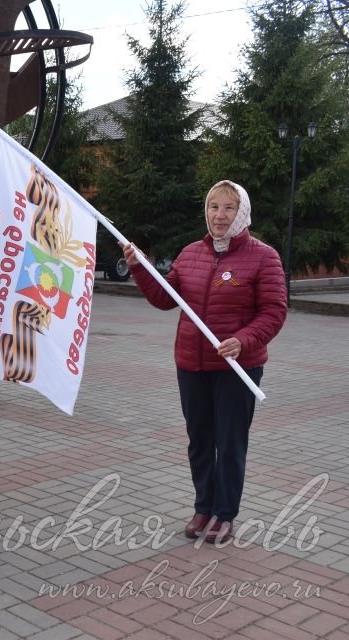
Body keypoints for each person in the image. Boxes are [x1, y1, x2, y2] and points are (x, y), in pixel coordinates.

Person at [121, 180, 287, 544]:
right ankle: (203, 506)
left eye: (228, 208)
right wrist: (140, 268)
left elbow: (274, 311)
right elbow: (166, 298)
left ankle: (224, 514)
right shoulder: (191, 252)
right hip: (191, 364)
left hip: (236, 368)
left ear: (241, 212)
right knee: (199, 440)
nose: (219, 215)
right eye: (214, 207)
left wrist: (244, 340)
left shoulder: (264, 256)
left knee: (229, 443)